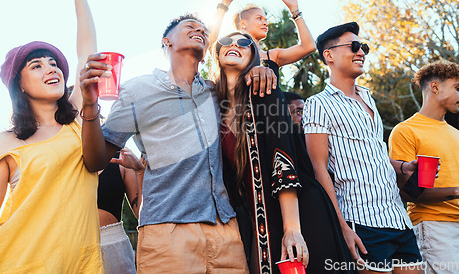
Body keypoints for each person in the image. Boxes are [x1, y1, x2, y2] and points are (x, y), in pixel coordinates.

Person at [79, 14, 277, 273]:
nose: (199, 30)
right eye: (190, 27)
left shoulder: (216, 92)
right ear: (167, 42)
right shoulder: (137, 91)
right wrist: (90, 104)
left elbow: (246, 89)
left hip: (226, 230)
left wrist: (260, 68)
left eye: (204, 30)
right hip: (167, 231)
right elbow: (95, 160)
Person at [0, 0, 104, 273]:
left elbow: (87, 52)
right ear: (19, 84)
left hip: (82, 265)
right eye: (36, 66)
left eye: (53, 63)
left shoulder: (78, 120)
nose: (51, 68)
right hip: (19, 265)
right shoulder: (6, 142)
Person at [211, 32, 356, 274]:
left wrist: (292, 229)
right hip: (257, 218)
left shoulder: (265, 92)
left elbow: (283, 159)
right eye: (226, 42)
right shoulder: (213, 106)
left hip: (299, 212)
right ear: (216, 54)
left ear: (253, 56)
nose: (234, 44)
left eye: (244, 42)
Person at [303, 22, 424, 274]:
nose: (361, 52)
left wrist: (403, 166)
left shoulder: (369, 98)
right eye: (354, 46)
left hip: (399, 219)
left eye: (364, 47)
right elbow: (320, 170)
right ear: (329, 55)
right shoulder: (317, 104)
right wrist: (342, 227)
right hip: (362, 222)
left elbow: (373, 154)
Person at [388, 60, 459, 274]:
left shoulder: (456, 134)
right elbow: (410, 193)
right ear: (435, 87)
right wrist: (456, 192)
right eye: (457, 88)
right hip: (435, 227)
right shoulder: (406, 131)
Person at [209, 0, 316, 74]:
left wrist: (294, 10)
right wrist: (225, 2)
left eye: (265, 20)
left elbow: (308, 47)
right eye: (259, 18)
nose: (265, 23)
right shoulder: (227, 50)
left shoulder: (273, 56)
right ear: (243, 24)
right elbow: (209, 40)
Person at [98, 147, 145, 274]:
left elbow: (142, 214)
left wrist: (139, 170)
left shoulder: (121, 160)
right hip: (74, 245)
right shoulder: (65, 158)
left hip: (113, 248)